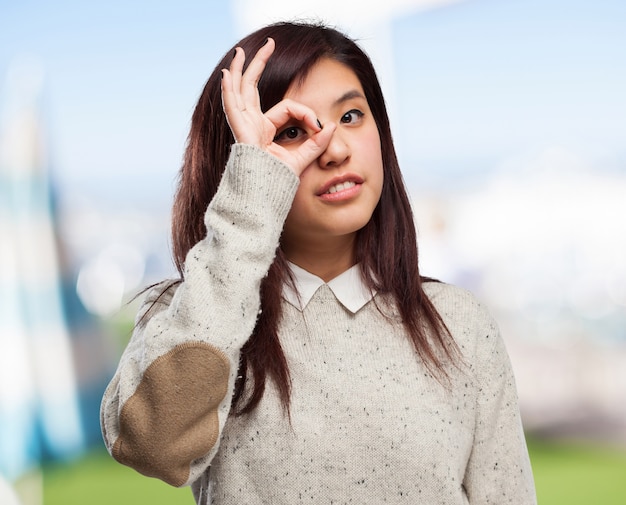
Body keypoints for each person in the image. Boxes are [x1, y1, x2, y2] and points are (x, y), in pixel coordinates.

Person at [100, 21, 537, 504]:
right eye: (291, 131)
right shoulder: (193, 315)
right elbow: (153, 448)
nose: (335, 149)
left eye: (351, 116)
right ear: (240, 162)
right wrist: (251, 200)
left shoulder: (460, 323)